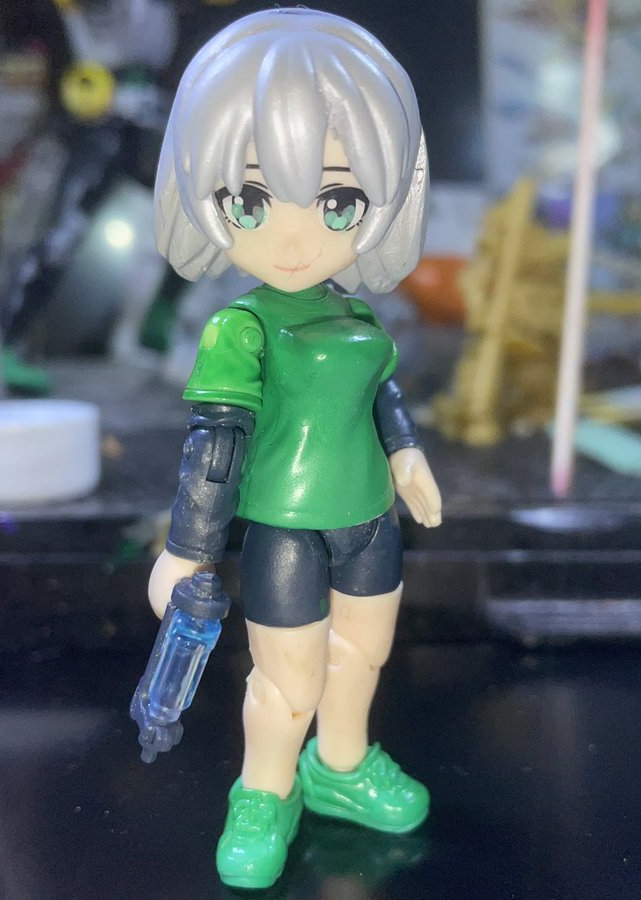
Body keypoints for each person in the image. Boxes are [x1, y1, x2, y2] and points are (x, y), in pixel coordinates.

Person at [146, 9, 442, 889]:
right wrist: (187, 548)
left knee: (363, 658)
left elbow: (378, 389)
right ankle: (264, 793)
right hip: (285, 532)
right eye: (250, 199)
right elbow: (217, 446)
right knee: (287, 684)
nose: (292, 235)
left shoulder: (357, 316)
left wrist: (406, 454)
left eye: (337, 201)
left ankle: (341, 768)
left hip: (371, 521)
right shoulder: (239, 329)